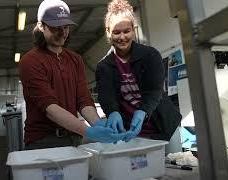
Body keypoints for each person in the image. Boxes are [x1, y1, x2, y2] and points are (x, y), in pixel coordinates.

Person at [19, 0, 125, 150]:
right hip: (43, 141)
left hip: (73, 137)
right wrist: (89, 131)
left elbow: (83, 99)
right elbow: (50, 108)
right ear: (41, 26)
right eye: (56, 28)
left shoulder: (75, 59)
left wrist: (98, 124)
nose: (63, 33)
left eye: (66, 27)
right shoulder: (30, 61)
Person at [95, 0, 182, 142]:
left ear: (133, 29)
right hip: (129, 133)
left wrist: (143, 111)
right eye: (117, 32)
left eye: (126, 31)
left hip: (164, 127)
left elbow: (155, 90)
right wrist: (113, 112)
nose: (122, 37)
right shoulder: (103, 67)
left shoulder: (150, 55)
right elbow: (106, 97)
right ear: (108, 32)